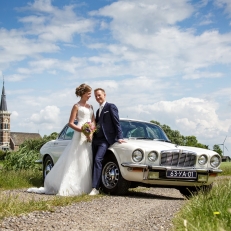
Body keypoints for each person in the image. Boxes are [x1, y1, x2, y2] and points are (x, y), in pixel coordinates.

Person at [27, 84, 95, 196]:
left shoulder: (91, 107)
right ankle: (70, 187)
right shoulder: (76, 106)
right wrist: (82, 130)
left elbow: (93, 121)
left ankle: (85, 187)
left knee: (86, 159)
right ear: (83, 93)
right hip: (79, 134)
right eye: (89, 93)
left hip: (89, 135)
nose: (90, 95)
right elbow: (71, 123)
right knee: (76, 159)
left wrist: (91, 132)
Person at [89, 88, 125, 196]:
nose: (97, 97)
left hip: (105, 140)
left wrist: (120, 137)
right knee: (92, 162)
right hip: (96, 139)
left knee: (98, 159)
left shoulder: (111, 106)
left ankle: (95, 188)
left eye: (99, 95)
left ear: (104, 95)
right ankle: (97, 185)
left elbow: (116, 122)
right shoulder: (98, 110)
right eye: (96, 96)